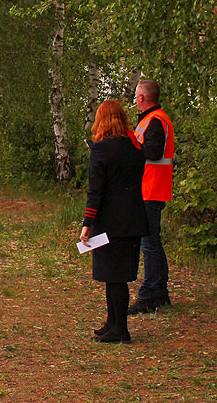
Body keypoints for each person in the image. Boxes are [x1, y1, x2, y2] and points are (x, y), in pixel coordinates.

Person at [81, 99, 148, 343]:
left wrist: (87, 222)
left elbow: (95, 190)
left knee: (113, 277)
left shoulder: (101, 149)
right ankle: (113, 323)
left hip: (109, 221)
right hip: (133, 219)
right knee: (117, 276)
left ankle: (120, 329)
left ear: (101, 120)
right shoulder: (135, 147)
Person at [128, 79, 175, 315]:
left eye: (136, 95)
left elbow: (153, 152)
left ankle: (148, 296)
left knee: (149, 244)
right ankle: (160, 293)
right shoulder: (153, 120)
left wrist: (130, 147)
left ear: (142, 98)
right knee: (152, 242)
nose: (135, 99)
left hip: (151, 188)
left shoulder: (154, 121)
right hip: (152, 188)